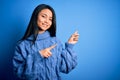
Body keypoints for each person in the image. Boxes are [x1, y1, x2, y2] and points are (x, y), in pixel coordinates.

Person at [13, 4, 79, 80]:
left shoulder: (55, 41)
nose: (47, 21)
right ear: (35, 17)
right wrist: (38, 55)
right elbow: (19, 73)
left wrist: (69, 46)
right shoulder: (22, 45)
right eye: (43, 16)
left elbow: (65, 68)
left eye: (50, 19)